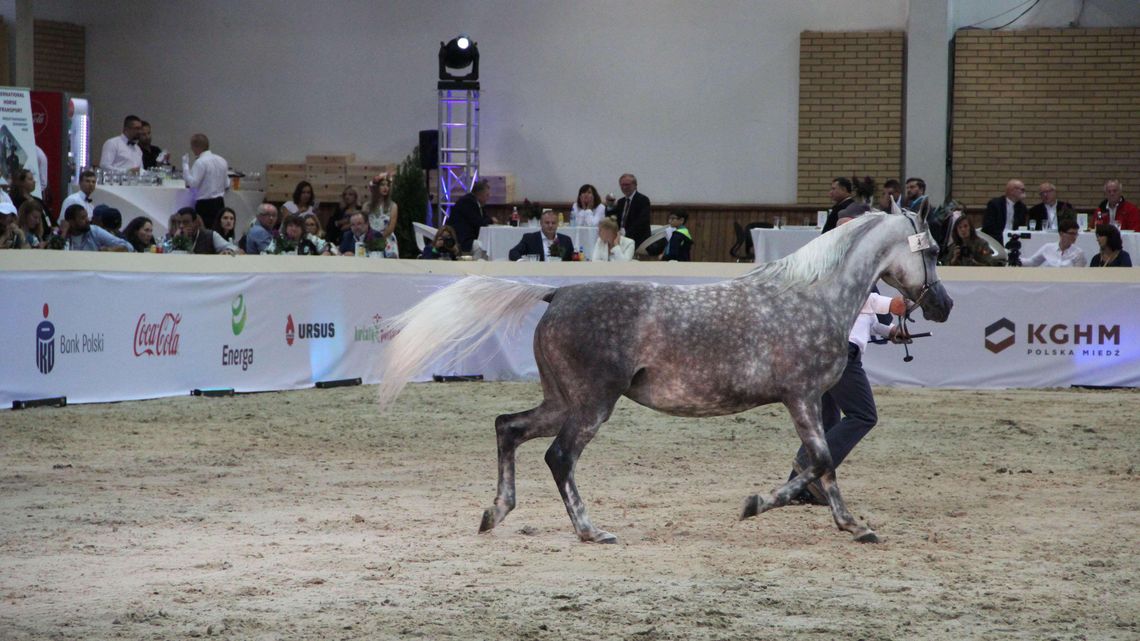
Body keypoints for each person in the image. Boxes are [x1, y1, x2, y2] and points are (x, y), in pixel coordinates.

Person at [789, 213, 910, 505]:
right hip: (837, 352)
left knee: (828, 422)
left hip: (825, 353)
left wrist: (890, 330)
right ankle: (810, 465)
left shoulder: (858, 270)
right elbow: (855, 300)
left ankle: (796, 487)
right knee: (863, 415)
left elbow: (864, 316)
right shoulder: (830, 268)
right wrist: (890, 304)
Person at [181, 133, 228, 231]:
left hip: (205, 205)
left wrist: (185, 166)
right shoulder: (222, 160)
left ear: (195, 147)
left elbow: (193, 184)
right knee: (218, 232)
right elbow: (227, 184)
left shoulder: (201, 162)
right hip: (220, 203)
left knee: (204, 233)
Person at [508, 210, 574, 261]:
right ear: (541, 223)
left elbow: (573, 259)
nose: (550, 226)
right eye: (547, 223)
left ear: (557, 224)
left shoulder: (566, 240)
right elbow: (513, 252)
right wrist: (522, 262)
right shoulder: (530, 239)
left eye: (553, 223)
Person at [62, 203, 133, 251]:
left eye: (87, 216)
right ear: (71, 222)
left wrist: (110, 250)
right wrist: (63, 233)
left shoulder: (94, 231)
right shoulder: (61, 235)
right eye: (83, 218)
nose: (87, 220)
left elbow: (129, 247)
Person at [449, 178, 494, 253]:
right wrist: (491, 220)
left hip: (469, 237)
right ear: (480, 194)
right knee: (481, 246)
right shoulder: (468, 202)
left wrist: (489, 220)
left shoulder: (477, 204)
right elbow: (479, 222)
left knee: (486, 245)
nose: (489, 197)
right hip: (461, 239)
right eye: (487, 195)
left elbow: (484, 218)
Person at [1022, 218, 1087, 267]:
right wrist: (1016, 260)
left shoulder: (1078, 253)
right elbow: (1032, 262)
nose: (1074, 237)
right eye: (1071, 233)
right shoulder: (1048, 248)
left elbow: (1078, 274)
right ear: (1061, 234)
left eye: (1076, 234)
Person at [362, 173, 399, 256]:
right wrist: (371, 238)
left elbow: (391, 227)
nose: (386, 188)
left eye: (388, 185)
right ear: (376, 187)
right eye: (382, 185)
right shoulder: (367, 206)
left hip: (387, 239)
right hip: (370, 238)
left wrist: (380, 239)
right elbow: (364, 224)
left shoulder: (393, 206)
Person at [613, 173, 651, 247]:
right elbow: (616, 219)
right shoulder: (621, 202)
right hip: (620, 237)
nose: (624, 187)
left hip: (637, 239)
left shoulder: (643, 200)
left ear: (635, 185)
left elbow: (642, 222)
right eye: (622, 185)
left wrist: (626, 233)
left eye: (627, 184)